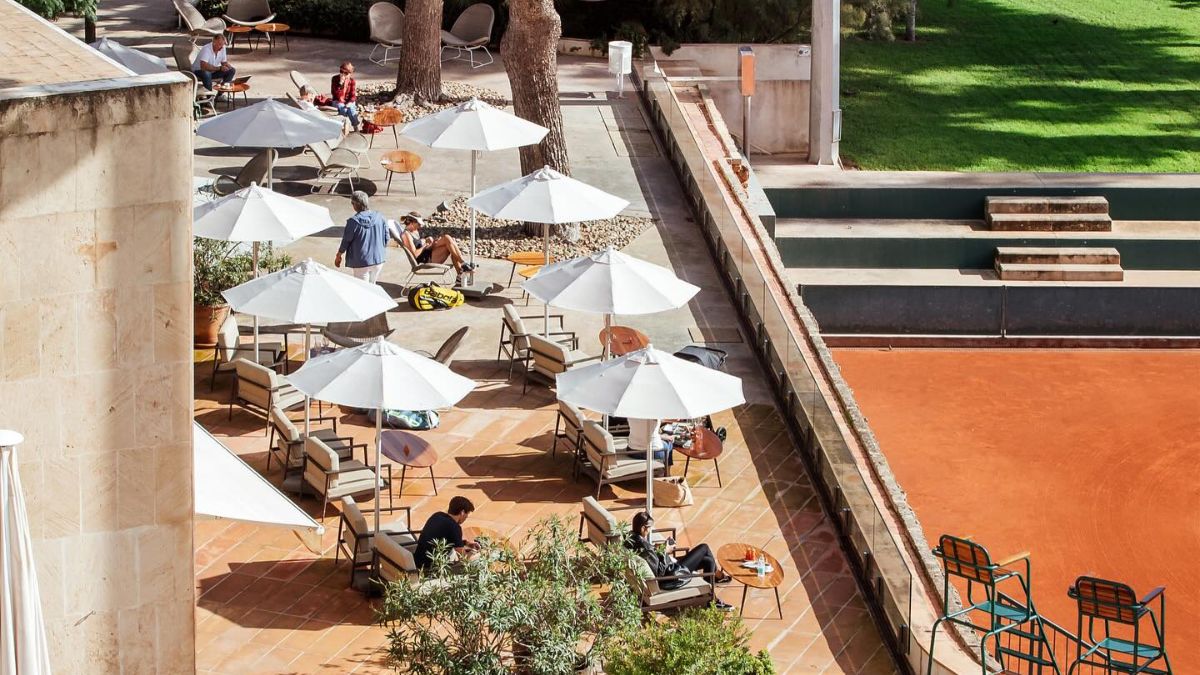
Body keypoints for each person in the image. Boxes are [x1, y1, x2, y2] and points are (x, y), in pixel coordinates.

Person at [624, 511, 733, 610]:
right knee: (704, 548)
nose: (650, 530)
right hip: (671, 576)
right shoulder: (646, 548)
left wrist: (656, 549)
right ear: (643, 528)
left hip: (670, 569)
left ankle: (712, 594)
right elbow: (660, 572)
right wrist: (665, 551)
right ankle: (716, 582)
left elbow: (651, 558)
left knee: (708, 561)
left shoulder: (631, 539)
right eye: (649, 528)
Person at [334, 191, 401, 283]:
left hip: (361, 262)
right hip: (378, 260)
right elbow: (387, 238)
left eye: (352, 203)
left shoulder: (352, 222)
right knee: (372, 286)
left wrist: (339, 255)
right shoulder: (380, 217)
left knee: (362, 288)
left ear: (355, 204)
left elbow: (346, 241)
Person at [396, 212, 475, 285]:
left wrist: (429, 242)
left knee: (450, 241)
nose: (420, 226)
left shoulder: (414, 231)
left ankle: (461, 272)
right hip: (425, 259)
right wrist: (426, 244)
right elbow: (415, 254)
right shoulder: (406, 235)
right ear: (412, 222)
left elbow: (419, 245)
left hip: (427, 252)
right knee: (448, 241)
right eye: (419, 224)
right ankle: (463, 264)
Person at [413, 496, 479, 570]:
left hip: (417, 560)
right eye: (467, 515)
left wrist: (466, 543)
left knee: (454, 552)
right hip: (431, 568)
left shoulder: (437, 515)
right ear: (462, 512)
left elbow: (447, 537)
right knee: (476, 560)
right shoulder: (455, 527)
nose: (466, 517)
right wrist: (474, 552)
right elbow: (463, 558)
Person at [331, 61, 361, 130]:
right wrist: (340, 84)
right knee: (343, 108)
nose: (343, 74)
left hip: (348, 101)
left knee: (351, 109)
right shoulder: (335, 79)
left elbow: (353, 96)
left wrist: (349, 103)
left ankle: (355, 127)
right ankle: (342, 127)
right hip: (337, 100)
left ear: (350, 74)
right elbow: (335, 94)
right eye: (341, 71)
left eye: (346, 73)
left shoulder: (352, 81)